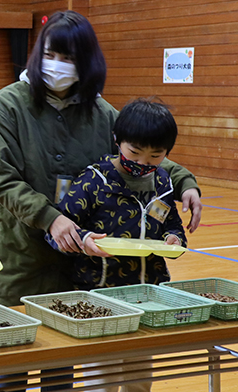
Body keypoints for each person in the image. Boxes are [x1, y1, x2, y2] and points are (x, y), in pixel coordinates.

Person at [0, 10, 202, 391]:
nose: (58, 66)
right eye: (51, 54)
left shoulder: (101, 113)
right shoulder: (7, 105)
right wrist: (51, 218)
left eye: (69, 58)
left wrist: (184, 181)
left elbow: (139, 151)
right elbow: (2, 179)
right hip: (16, 251)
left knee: (62, 359)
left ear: (87, 63)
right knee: (13, 357)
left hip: (74, 257)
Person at [43, 98, 187, 392]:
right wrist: (82, 239)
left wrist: (175, 238)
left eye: (155, 156)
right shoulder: (93, 181)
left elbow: (172, 222)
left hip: (148, 295)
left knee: (139, 377)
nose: (143, 163)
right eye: (135, 152)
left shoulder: (163, 182)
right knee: (103, 378)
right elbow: (57, 229)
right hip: (100, 296)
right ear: (117, 141)